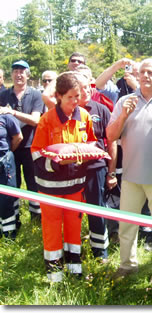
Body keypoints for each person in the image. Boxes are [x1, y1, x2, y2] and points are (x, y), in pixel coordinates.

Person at [106, 58, 152, 284]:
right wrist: (124, 115)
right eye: (142, 71)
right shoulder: (125, 101)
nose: (144, 75)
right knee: (126, 225)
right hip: (132, 175)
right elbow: (111, 136)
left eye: (150, 72)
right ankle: (127, 265)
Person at [30, 72, 97, 282]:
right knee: (51, 228)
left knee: (74, 226)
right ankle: (54, 274)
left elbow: (92, 142)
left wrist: (87, 151)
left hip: (76, 186)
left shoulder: (84, 117)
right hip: (50, 188)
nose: (75, 101)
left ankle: (75, 268)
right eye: (70, 97)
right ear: (58, 96)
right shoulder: (47, 120)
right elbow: (36, 154)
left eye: (77, 96)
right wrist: (59, 162)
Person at [74, 72, 117, 262]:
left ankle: (100, 253)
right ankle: (73, 250)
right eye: (80, 87)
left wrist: (111, 172)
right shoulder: (68, 109)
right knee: (72, 210)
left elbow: (111, 142)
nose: (86, 91)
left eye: (89, 86)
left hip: (96, 167)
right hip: (72, 169)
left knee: (97, 209)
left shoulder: (101, 109)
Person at [0, 60, 45, 225]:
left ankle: (36, 218)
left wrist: (12, 112)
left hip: (29, 146)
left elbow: (35, 120)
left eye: (22, 71)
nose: (18, 75)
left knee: (32, 182)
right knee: (12, 183)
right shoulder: (3, 95)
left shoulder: (35, 95)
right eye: (15, 71)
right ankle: (14, 218)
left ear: (28, 74)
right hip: (10, 148)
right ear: (11, 74)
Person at [0, 109, 23, 239]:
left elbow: (18, 137)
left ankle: (9, 235)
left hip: (4, 164)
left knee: (6, 199)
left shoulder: (6, 117)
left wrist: (7, 154)